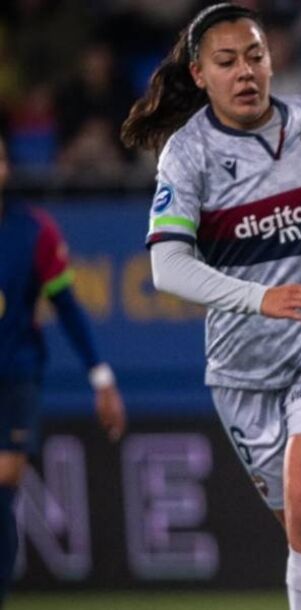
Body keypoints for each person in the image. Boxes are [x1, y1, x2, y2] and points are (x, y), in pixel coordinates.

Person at [120, 4, 301, 609]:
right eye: (227, 62)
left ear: (273, 59)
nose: (245, 72)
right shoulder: (188, 155)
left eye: (256, 56)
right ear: (200, 75)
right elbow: (166, 267)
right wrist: (260, 298)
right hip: (244, 374)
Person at [0, 135, 126, 603]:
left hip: (15, 377)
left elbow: (69, 309)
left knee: (4, 486)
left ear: (6, 168)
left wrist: (101, 377)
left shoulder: (33, 232)